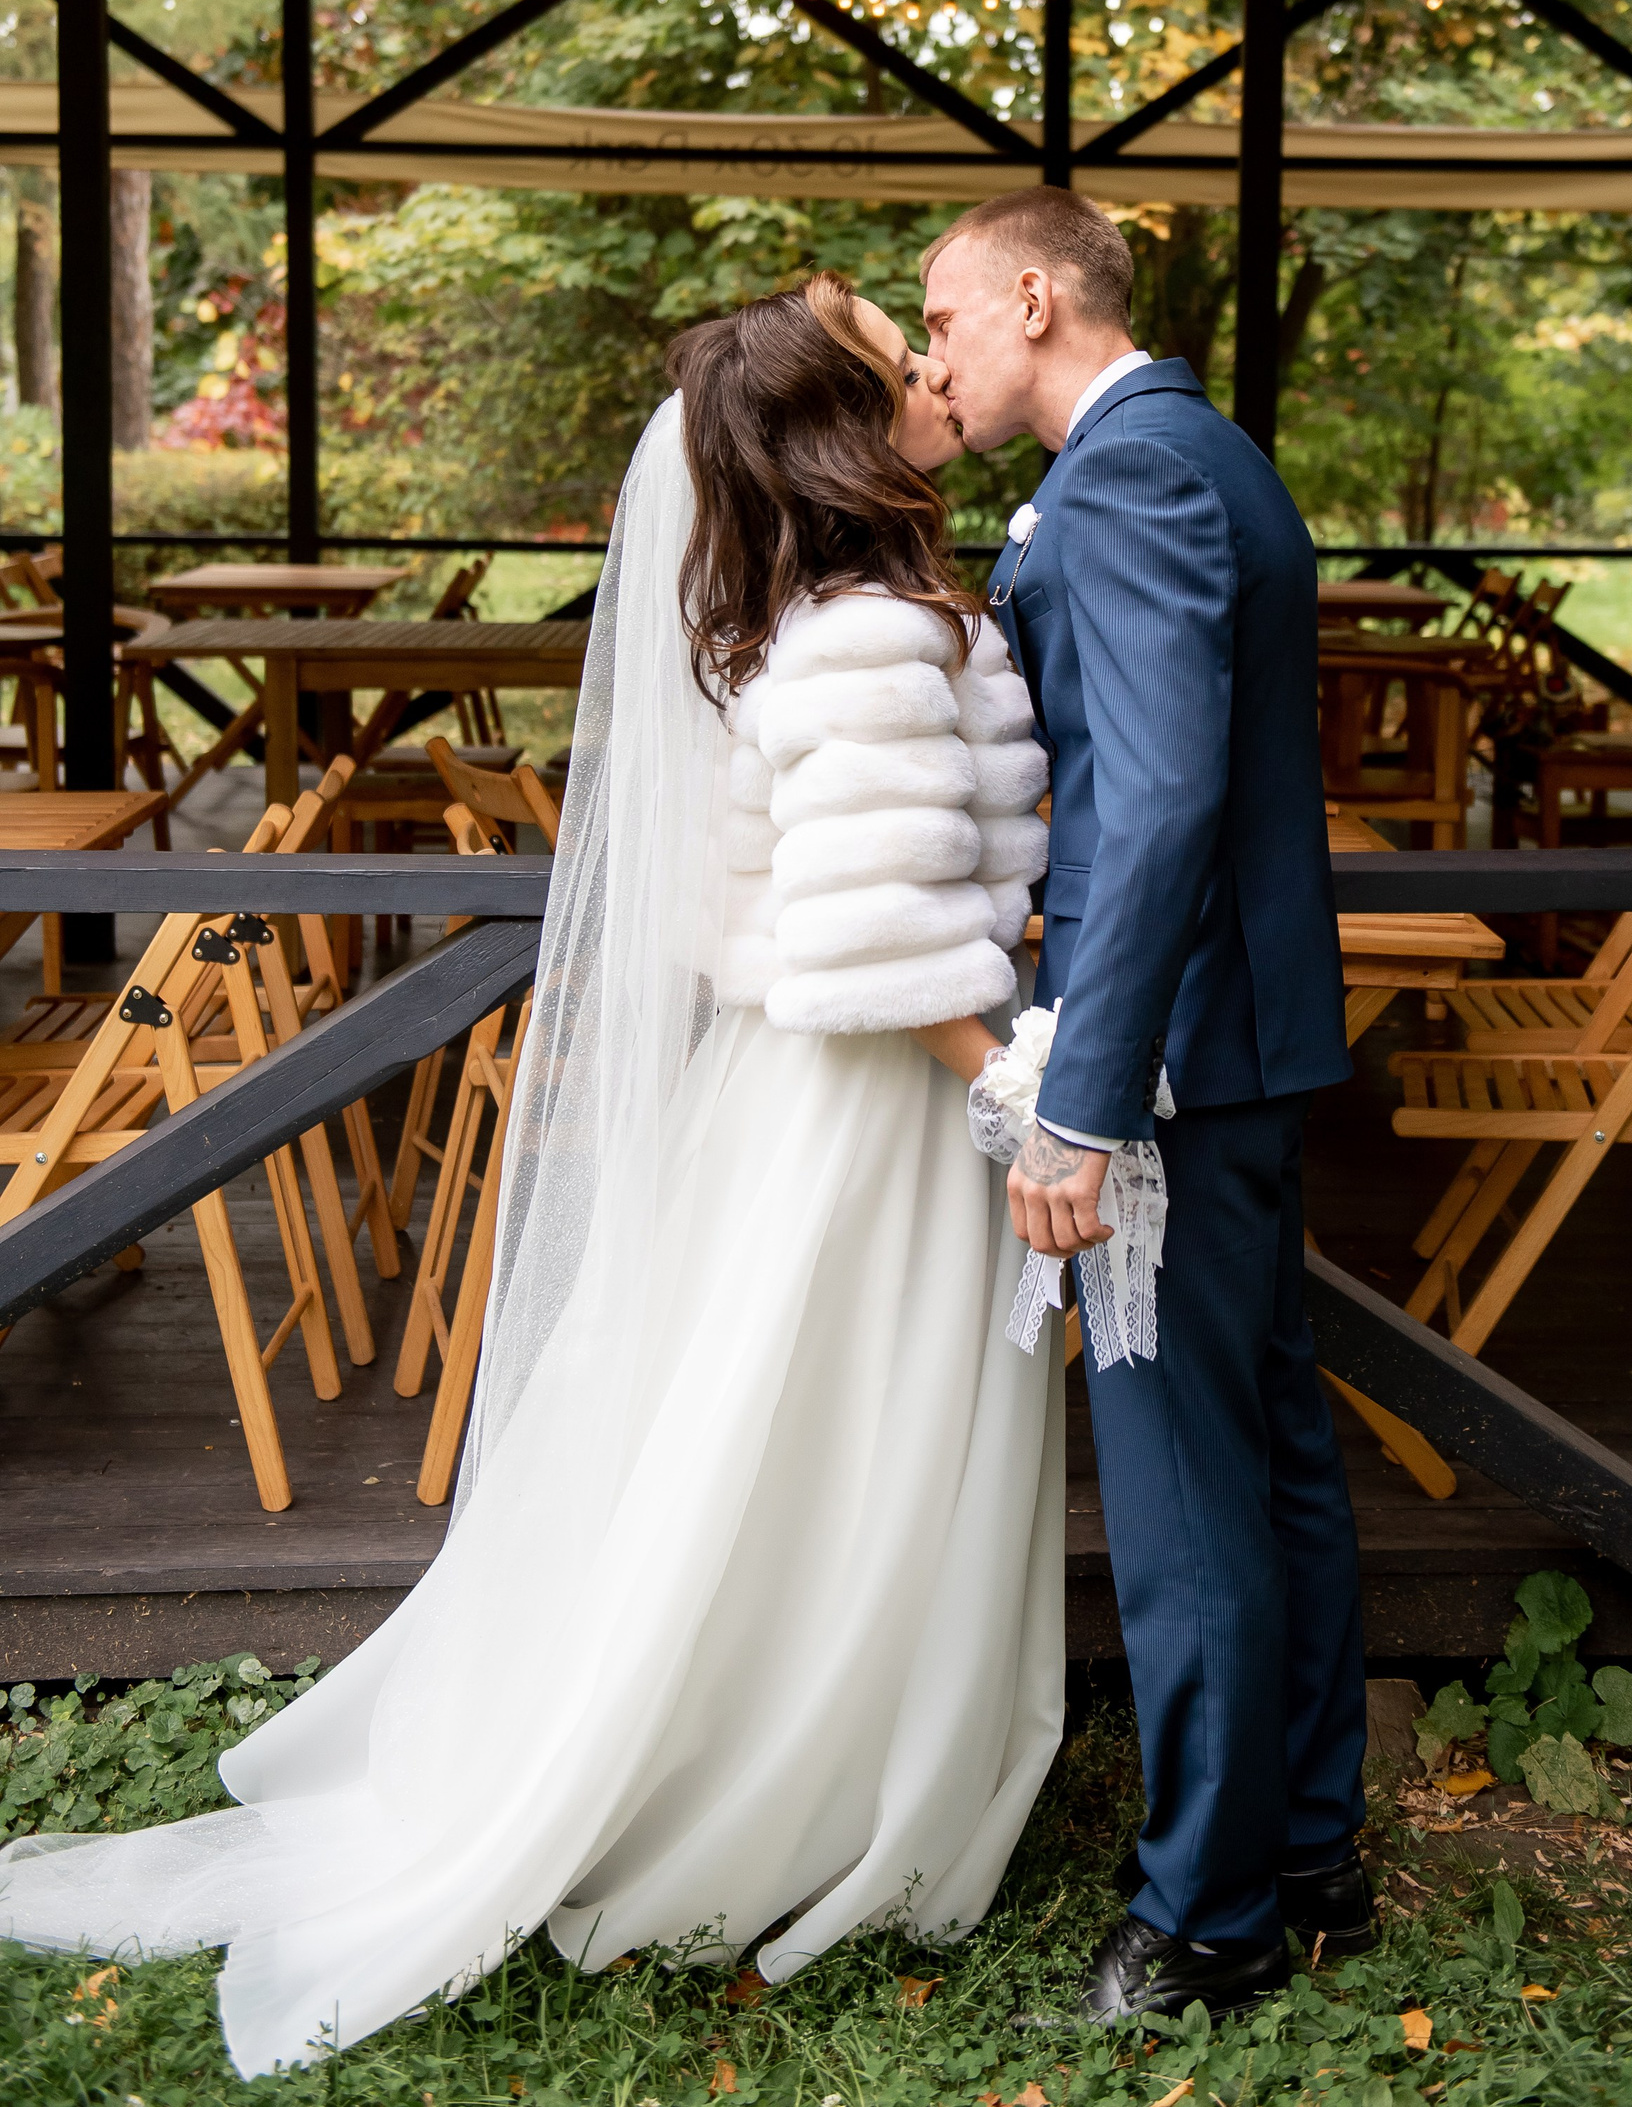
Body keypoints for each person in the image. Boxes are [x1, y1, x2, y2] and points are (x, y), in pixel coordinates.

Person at [1, 272, 1062, 2080]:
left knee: (780, 1445)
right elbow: (878, 945)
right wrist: (1028, 1089)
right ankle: (792, 1779)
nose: (929, 372)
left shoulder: (811, 619)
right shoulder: (872, 636)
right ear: (845, 432)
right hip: (876, 1105)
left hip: (815, 1095)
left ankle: (788, 1740)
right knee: (847, 1439)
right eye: (901, 361)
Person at [921, 186, 1370, 2024]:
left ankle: (1207, 1923)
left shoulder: (1125, 479)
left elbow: (1165, 802)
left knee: (1188, 1504)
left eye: (943, 318)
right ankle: (1308, 1849)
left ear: (1037, 298)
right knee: (1275, 1466)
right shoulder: (1200, 449)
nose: (932, 358)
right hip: (1240, 1048)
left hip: (1168, 1067)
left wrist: (1084, 1104)